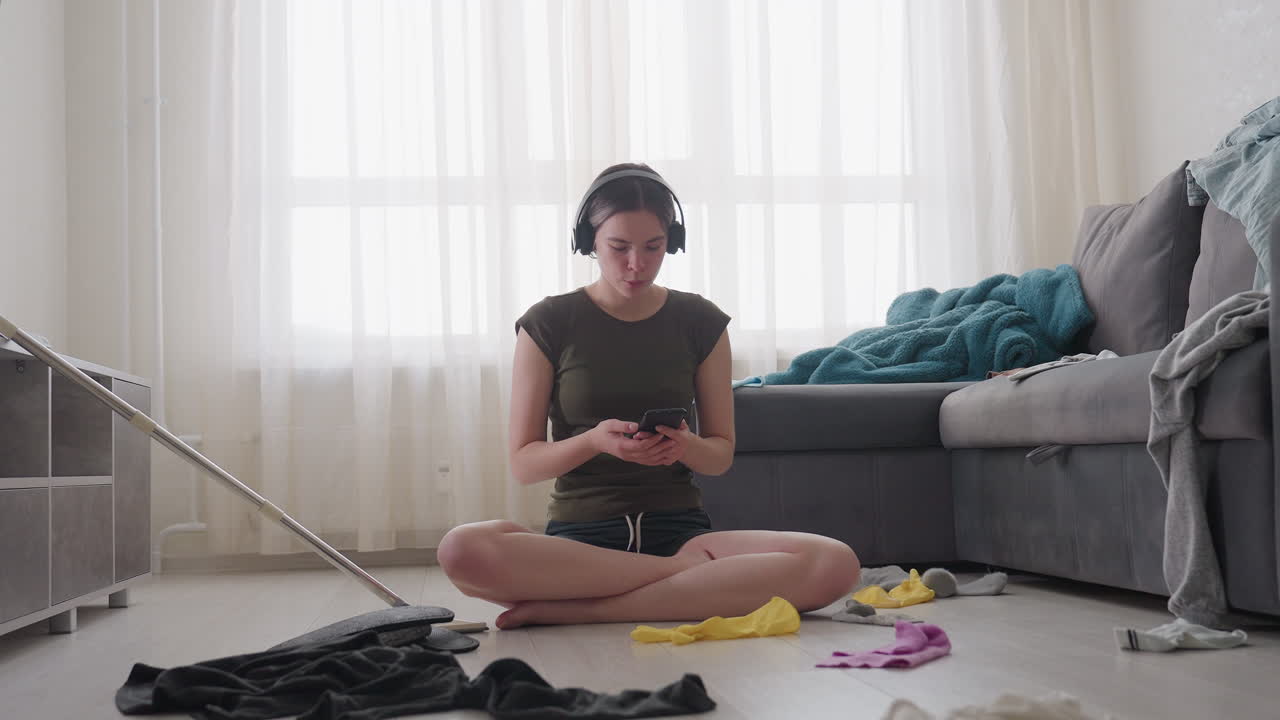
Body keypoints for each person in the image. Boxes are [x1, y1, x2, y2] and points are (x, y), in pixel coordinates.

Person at [438, 163, 860, 628]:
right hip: (581, 546)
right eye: (619, 247)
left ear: (671, 243)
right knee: (461, 548)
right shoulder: (548, 323)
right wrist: (593, 442)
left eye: (653, 247)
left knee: (836, 562)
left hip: (681, 533)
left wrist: (687, 445)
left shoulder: (701, 322)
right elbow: (524, 464)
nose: (636, 264)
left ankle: (587, 610)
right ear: (589, 241)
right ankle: (675, 582)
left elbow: (718, 456)